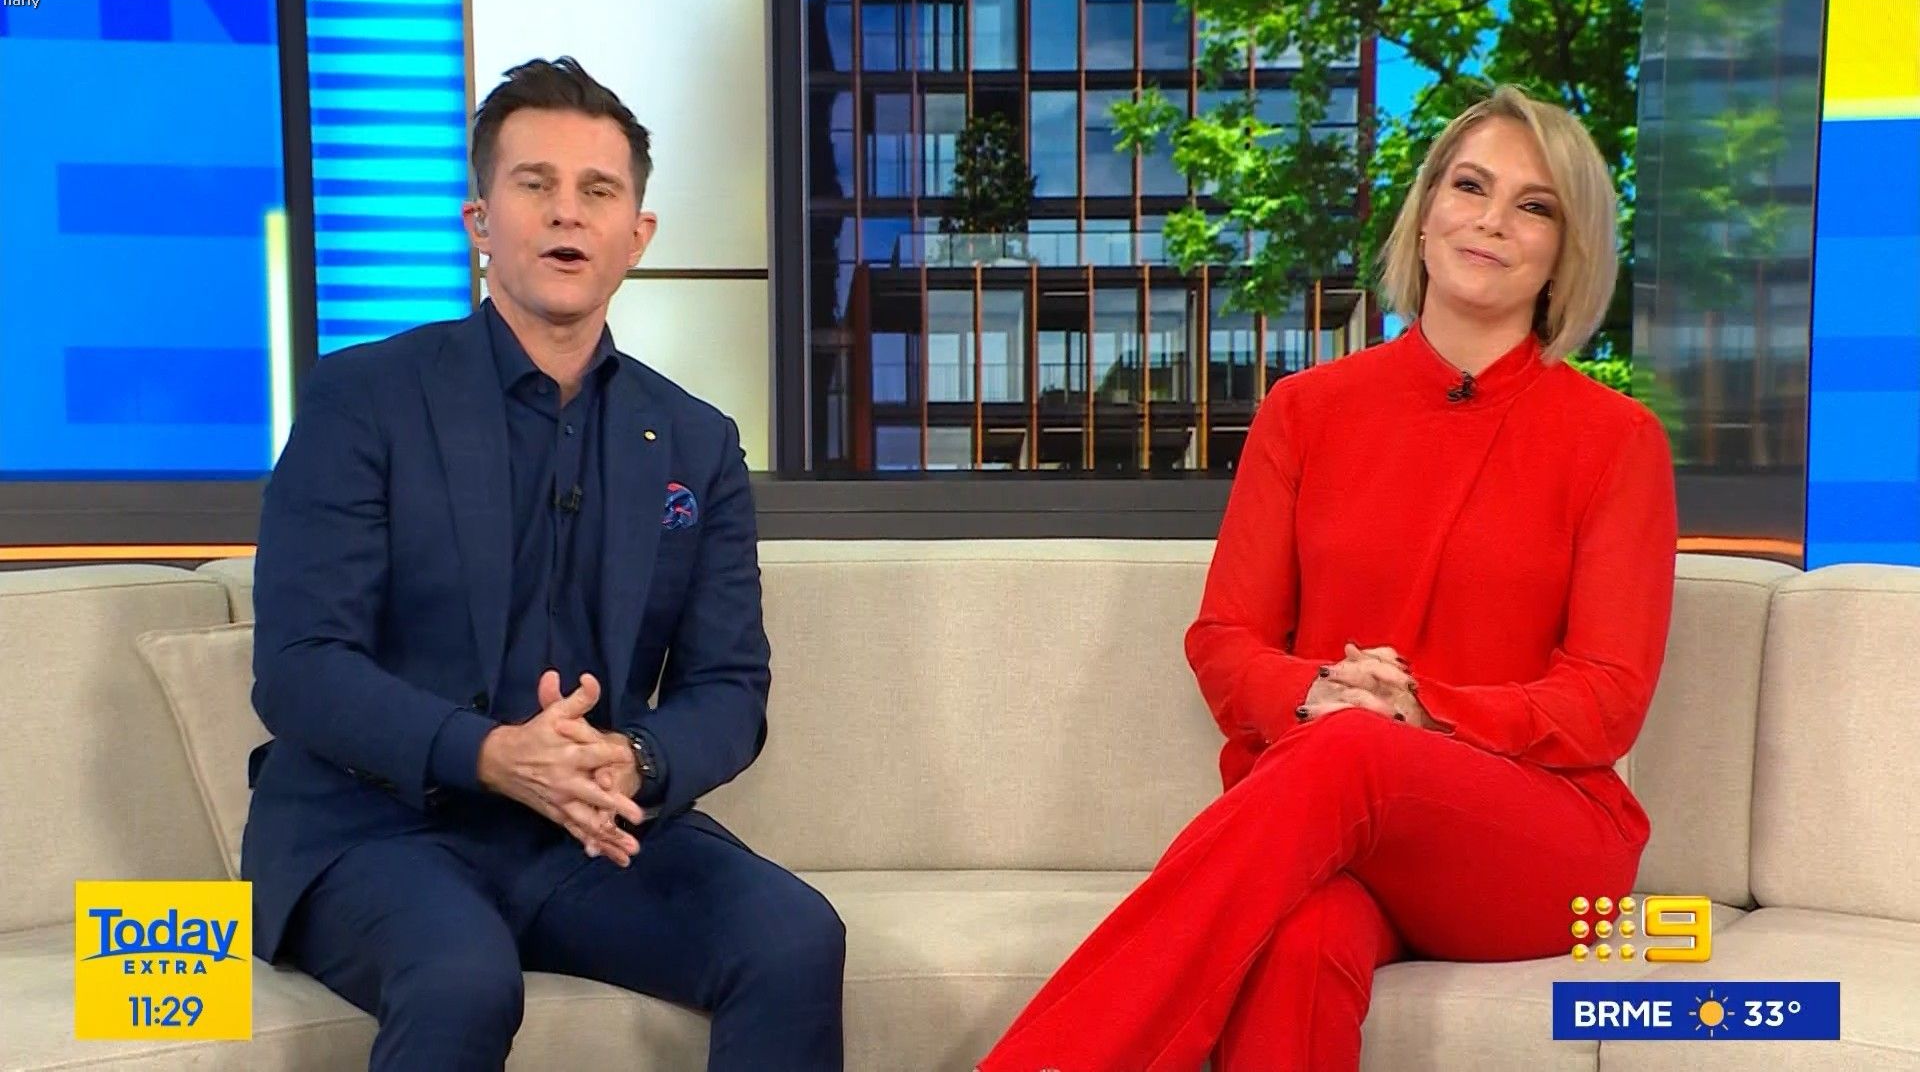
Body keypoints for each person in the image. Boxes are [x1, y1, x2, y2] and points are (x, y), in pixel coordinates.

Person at [976, 84, 1677, 1072]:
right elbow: (1224, 641)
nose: (1491, 219)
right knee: (1300, 944)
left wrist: (1423, 713)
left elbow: (1606, 699)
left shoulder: (1617, 441)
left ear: (1568, 251)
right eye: (1470, 186)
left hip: (1533, 841)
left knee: (1354, 753)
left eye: (1535, 205)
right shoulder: (1306, 411)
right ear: (1424, 213)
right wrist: (1315, 694)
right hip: (1329, 820)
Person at [242, 56, 845, 1071]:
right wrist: (486, 753)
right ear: (480, 222)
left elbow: (729, 688)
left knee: (793, 937)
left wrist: (634, 760)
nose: (568, 212)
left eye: (598, 191)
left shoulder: (694, 441)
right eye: (536, 185)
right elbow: (301, 667)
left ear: (636, 236)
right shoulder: (364, 400)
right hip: (377, 828)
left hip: (586, 832)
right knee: (463, 978)